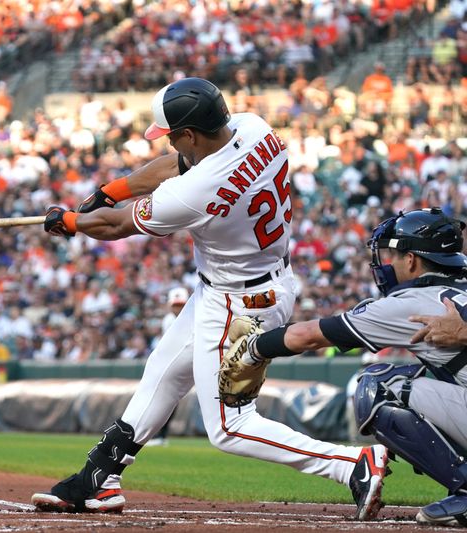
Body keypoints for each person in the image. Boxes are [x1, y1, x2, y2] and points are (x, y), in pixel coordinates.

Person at [32, 77, 387, 519]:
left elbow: (116, 227)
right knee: (163, 372)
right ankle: (98, 479)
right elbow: (174, 165)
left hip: (243, 305)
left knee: (229, 426)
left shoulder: (197, 190)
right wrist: (107, 192)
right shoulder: (253, 127)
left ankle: (351, 464)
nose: (171, 141)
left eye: (173, 134)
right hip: (237, 285)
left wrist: (70, 222)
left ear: (190, 133)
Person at [228, 208, 467, 527]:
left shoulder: (411, 302)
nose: (387, 263)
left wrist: (254, 347)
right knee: (417, 377)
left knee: (378, 386)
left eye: (393, 255)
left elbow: (308, 337)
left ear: (411, 260)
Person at [147, 287, 190, 447]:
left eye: (181, 305)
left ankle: (160, 435)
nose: (178, 308)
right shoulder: (168, 320)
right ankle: (159, 435)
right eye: (175, 305)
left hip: (188, 362)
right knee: (164, 400)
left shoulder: (194, 317)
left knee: (168, 400)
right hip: (173, 363)